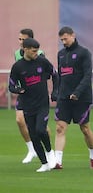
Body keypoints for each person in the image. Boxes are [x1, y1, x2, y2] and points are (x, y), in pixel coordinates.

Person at [9, 38, 57, 172]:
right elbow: (11, 86)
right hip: (27, 105)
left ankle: (49, 152)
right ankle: (44, 164)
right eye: (34, 51)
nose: (36, 53)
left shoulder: (42, 61)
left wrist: (55, 92)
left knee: (41, 130)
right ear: (25, 49)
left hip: (42, 103)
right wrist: (18, 90)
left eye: (37, 50)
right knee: (33, 135)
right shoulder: (18, 67)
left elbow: (55, 75)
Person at [54, 26, 93, 169]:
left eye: (65, 39)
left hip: (81, 98)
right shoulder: (60, 54)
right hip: (64, 98)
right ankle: (57, 162)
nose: (64, 42)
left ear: (73, 36)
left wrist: (77, 92)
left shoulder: (84, 53)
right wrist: (57, 92)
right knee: (60, 128)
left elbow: (87, 75)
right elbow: (60, 76)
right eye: (61, 40)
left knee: (84, 128)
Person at [14, 28, 51, 164]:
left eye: (23, 39)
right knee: (19, 120)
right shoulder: (17, 54)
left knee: (41, 127)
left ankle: (48, 151)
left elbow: (47, 72)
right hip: (24, 95)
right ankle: (31, 149)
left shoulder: (40, 55)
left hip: (38, 96)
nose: (20, 42)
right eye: (19, 39)